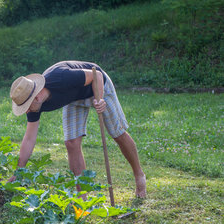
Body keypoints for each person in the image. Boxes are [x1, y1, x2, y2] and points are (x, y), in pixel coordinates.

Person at [9, 60, 146, 198]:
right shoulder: (33, 104)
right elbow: (29, 138)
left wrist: (99, 99)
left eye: (26, 107)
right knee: (71, 143)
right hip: (73, 99)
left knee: (118, 133)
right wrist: (18, 171)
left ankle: (139, 175)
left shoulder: (61, 77)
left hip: (97, 86)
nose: (26, 112)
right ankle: (82, 197)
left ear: (37, 97)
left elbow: (96, 74)